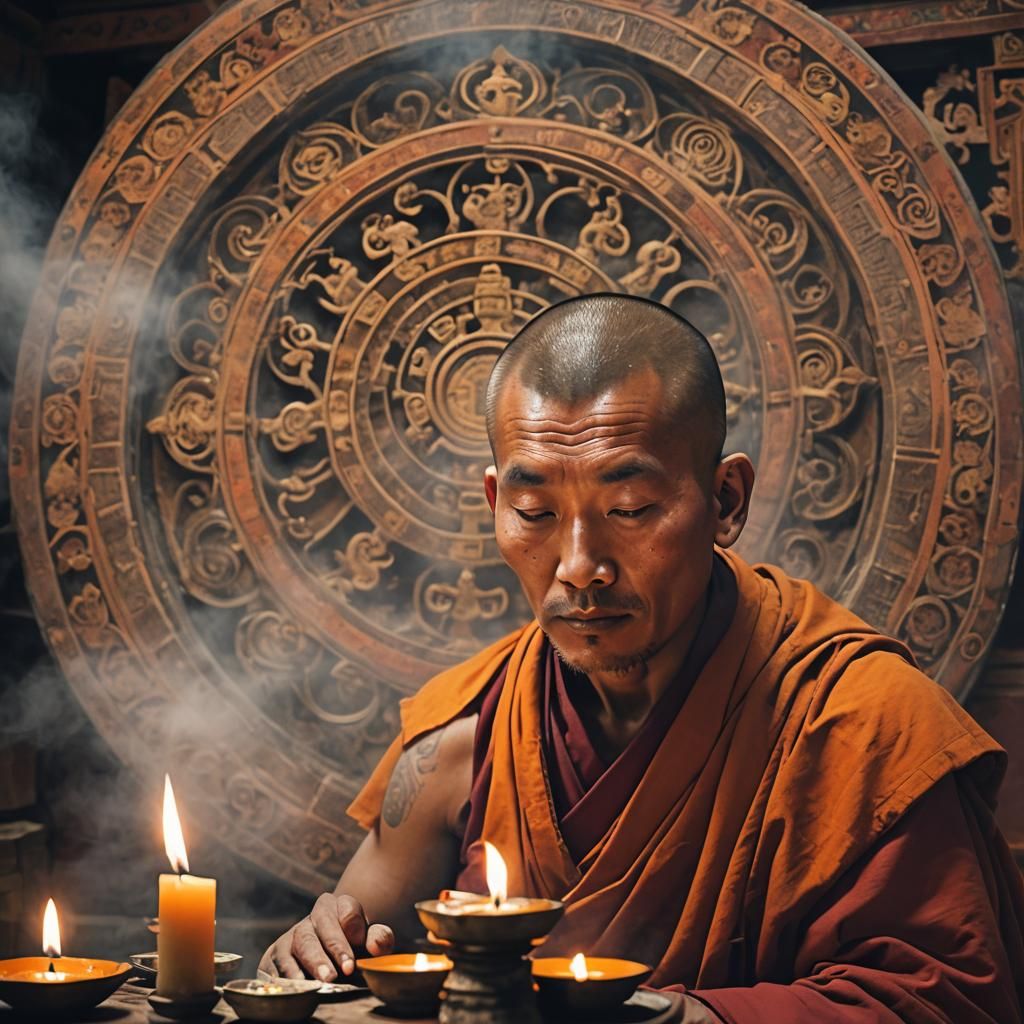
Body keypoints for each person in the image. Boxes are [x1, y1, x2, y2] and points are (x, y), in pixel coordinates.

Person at [261, 294, 1024, 1022]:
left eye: (630, 510)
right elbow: (347, 974)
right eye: (535, 512)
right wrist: (310, 955)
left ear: (726, 500)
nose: (579, 566)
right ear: (495, 502)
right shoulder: (464, 738)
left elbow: (946, 1004)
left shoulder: (863, 724)